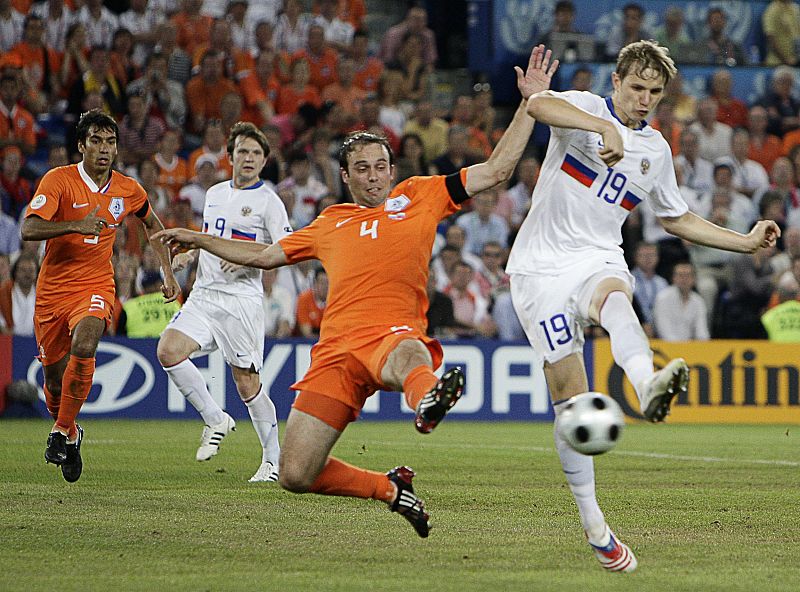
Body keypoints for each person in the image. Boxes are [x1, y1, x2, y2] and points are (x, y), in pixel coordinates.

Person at [156, 45, 558, 538]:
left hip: (391, 335)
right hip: (335, 353)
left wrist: (530, 103)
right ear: (345, 176)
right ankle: (390, 487)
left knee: (409, 351)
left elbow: (496, 170)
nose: (373, 176)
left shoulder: (420, 196)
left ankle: (427, 398)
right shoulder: (330, 222)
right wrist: (197, 237)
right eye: (362, 168)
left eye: (380, 166)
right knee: (295, 473)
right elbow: (263, 255)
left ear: (392, 169)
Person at [509, 40, 780, 571]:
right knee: (571, 397)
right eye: (636, 88)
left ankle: (645, 380)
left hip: (597, 256)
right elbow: (537, 105)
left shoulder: (655, 151)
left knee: (616, 294)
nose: (644, 99)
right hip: (539, 268)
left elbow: (676, 219)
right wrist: (604, 128)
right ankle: (595, 527)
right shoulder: (585, 109)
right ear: (616, 82)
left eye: (654, 93)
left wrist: (744, 242)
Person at [20, 109, 180, 483]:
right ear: (81, 146)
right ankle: (71, 432)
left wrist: (168, 273)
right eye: (96, 141)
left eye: (110, 142)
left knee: (88, 340)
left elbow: (152, 224)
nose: (104, 149)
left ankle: (59, 432)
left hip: (95, 283)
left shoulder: (127, 188)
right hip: (53, 289)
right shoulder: (58, 180)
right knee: (55, 383)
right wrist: (76, 224)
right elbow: (29, 228)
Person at [156, 122, 292, 483]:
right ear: (229, 156)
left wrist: (250, 255)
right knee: (168, 351)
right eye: (243, 151)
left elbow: (286, 250)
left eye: (257, 154)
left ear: (264, 162)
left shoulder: (269, 202)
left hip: (240, 300)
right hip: (204, 293)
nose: (249, 158)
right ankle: (216, 418)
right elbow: (212, 240)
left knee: (247, 384)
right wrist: (188, 256)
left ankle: (272, 459)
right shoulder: (214, 194)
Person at [652, 261, 709, 341]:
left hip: (691, 349)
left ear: (694, 279)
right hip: (667, 347)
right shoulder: (662, 298)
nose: (684, 279)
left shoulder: (698, 301)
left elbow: (702, 333)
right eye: (680, 275)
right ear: (673, 278)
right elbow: (664, 331)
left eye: (688, 276)